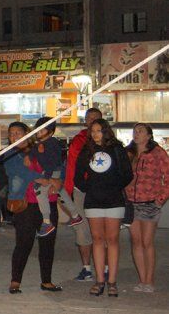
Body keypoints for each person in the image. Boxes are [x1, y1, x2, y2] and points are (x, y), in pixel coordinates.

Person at [75, 119, 133, 297]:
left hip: (114, 201)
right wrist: (89, 187)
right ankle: (100, 280)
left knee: (112, 239)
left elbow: (127, 174)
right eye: (92, 131)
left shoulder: (117, 149)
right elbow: (78, 177)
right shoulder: (86, 151)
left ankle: (112, 281)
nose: (95, 134)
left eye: (99, 130)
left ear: (106, 131)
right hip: (93, 201)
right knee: (97, 239)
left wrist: (113, 187)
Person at [5, 122, 63, 294]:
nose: (15, 136)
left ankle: (46, 281)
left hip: (48, 200)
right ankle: (15, 281)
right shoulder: (9, 154)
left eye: (18, 132)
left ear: (27, 133)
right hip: (26, 203)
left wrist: (58, 179)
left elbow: (58, 164)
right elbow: (19, 172)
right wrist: (45, 178)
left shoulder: (41, 148)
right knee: (23, 243)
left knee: (48, 243)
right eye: (11, 133)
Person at [125, 123, 169, 293]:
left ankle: (149, 280)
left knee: (147, 241)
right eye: (135, 131)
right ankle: (142, 279)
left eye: (141, 131)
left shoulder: (158, 153)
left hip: (150, 202)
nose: (137, 134)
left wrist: (160, 199)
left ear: (149, 135)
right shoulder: (129, 153)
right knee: (136, 241)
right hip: (131, 202)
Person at [29, 117, 83, 237]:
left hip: (53, 171)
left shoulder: (52, 143)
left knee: (39, 191)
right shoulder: (40, 144)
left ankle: (47, 221)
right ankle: (75, 215)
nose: (39, 133)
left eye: (42, 131)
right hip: (51, 171)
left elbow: (53, 162)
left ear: (50, 131)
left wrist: (47, 177)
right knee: (61, 193)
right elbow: (33, 153)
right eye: (38, 130)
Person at [64, 107, 101, 281]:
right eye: (89, 118)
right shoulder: (78, 140)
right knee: (82, 230)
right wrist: (69, 190)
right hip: (81, 190)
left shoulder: (111, 143)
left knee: (103, 231)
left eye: (96, 118)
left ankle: (105, 267)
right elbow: (71, 166)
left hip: (102, 191)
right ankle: (86, 268)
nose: (92, 120)